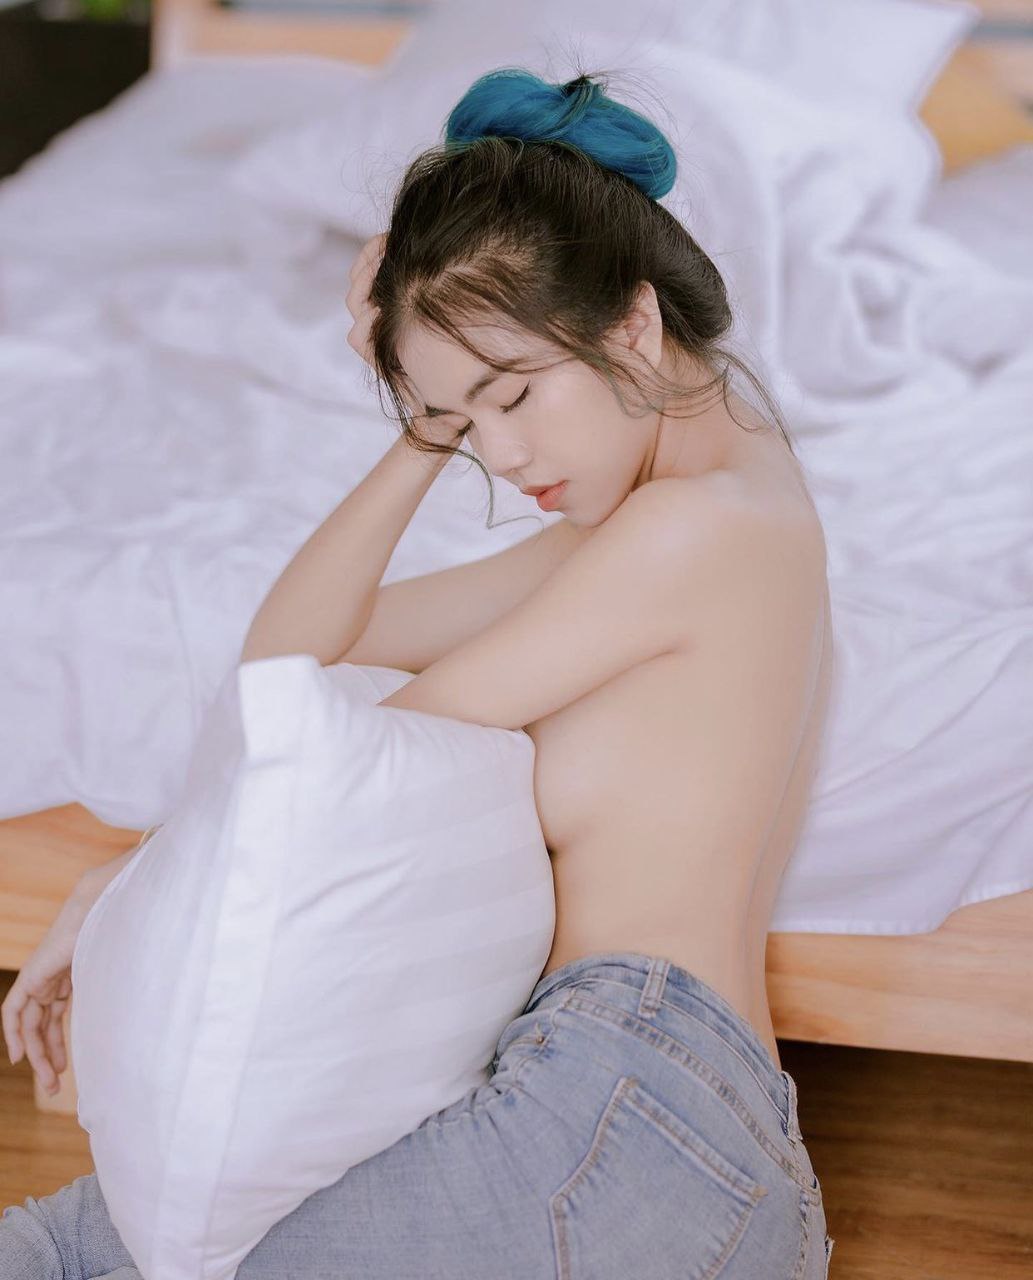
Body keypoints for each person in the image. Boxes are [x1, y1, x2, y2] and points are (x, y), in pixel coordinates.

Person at [1, 66, 835, 1278]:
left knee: (86, 1260)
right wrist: (421, 427)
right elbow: (289, 667)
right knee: (65, 1246)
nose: (505, 452)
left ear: (632, 325)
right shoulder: (669, 520)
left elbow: (342, 764)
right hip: (652, 1129)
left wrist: (115, 890)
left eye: (513, 395)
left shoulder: (690, 534)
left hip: (627, 1123)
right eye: (466, 424)